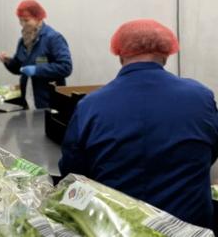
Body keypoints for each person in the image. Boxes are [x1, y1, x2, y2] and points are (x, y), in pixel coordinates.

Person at [59, 19, 218, 229]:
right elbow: (210, 151)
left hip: (117, 228)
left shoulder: (90, 105)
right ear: (166, 54)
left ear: (120, 54)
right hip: (190, 228)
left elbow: (73, 173)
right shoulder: (201, 97)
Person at [0, 0, 72, 109]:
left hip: (48, 103)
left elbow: (66, 67)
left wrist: (37, 70)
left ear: (38, 18)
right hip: (28, 101)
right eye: (20, 21)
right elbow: (20, 68)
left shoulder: (53, 38)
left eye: (26, 20)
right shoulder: (23, 41)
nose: (23, 25)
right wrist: (8, 62)